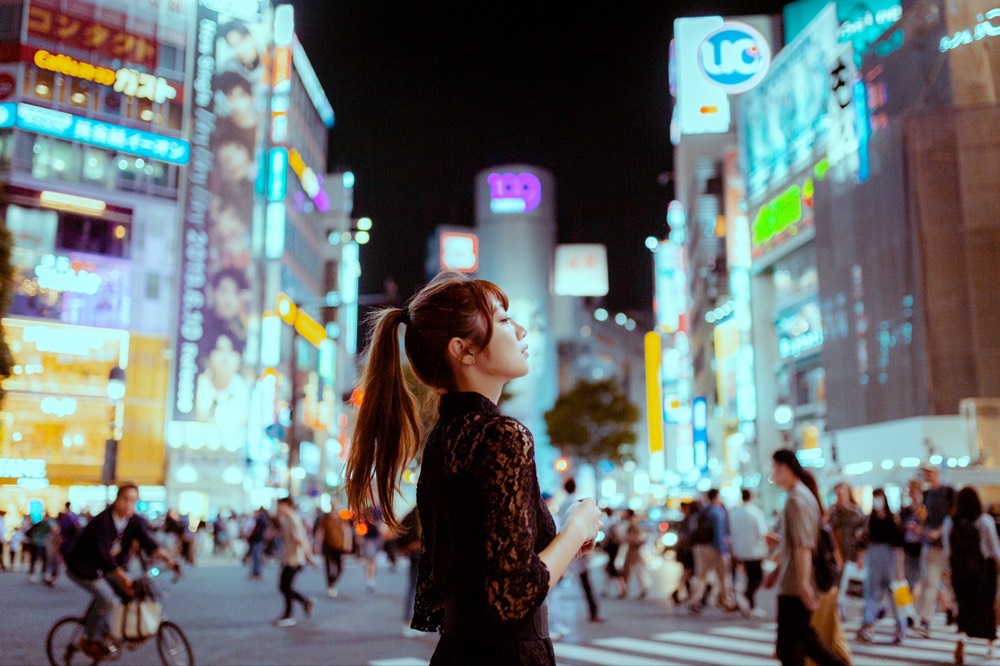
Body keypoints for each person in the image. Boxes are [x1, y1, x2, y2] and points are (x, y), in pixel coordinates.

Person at [344, 271, 603, 665]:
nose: (518, 330)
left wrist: (564, 548)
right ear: (463, 350)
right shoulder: (502, 436)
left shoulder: (442, 439)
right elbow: (513, 596)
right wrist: (577, 527)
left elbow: (484, 578)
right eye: (502, 320)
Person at [64, 483, 179, 658]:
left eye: (133, 500)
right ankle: (90, 639)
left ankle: (124, 631)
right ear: (116, 500)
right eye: (124, 499)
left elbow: (149, 543)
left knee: (131, 592)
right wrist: (122, 577)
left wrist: (170, 561)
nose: (128, 504)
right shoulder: (102, 522)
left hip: (105, 568)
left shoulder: (134, 521)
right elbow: (103, 555)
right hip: (83, 568)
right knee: (108, 599)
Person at [768, 449, 848, 666]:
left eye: (774, 468)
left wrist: (803, 583)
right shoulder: (803, 496)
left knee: (792, 647)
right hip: (796, 582)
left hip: (795, 585)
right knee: (801, 642)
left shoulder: (796, 499)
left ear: (785, 468)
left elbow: (804, 545)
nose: (772, 473)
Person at [943, 485, 1000, 664]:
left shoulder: (950, 522)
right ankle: (991, 645)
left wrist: (950, 573)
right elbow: (993, 549)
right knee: (987, 609)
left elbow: (947, 551)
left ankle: (962, 639)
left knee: (965, 610)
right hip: (984, 574)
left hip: (961, 575)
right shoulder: (984, 520)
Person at [855, 487, 906, 645]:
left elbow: (899, 546)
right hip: (874, 555)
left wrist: (899, 568)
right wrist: (861, 557)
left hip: (889, 556)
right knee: (871, 591)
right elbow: (865, 540)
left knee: (895, 594)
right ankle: (868, 624)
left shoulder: (893, 520)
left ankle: (901, 627)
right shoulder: (870, 519)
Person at [915, 462, 956, 637]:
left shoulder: (949, 492)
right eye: (925, 473)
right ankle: (926, 620)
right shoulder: (927, 495)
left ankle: (953, 612)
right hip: (931, 547)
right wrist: (919, 527)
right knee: (930, 583)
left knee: (951, 584)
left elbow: (953, 515)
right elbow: (923, 518)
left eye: (929, 473)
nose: (927, 476)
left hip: (949, 546)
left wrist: (940, 531)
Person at [558, 478, 604, 622]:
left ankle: (555, 619)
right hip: (577, 547)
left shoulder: (562, 505)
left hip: (564, 548)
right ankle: (594, 612)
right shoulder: (578, 504)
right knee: (586, 583)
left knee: (555, 584)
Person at [688, 489, 734, 614]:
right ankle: (726, 600)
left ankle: (695, 600)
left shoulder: (702, 511)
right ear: (716, 497)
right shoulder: (718, 512)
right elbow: (719, 533)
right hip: (714, 547)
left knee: (701, 575)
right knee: (724, 576)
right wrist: (722, 551)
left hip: (700, 547)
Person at [273, 497, 316, 627]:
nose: (279, 508)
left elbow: (301, 539)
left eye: (281, 505)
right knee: (284, 586)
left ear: (288, 505)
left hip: (295, 559)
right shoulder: (286, 519)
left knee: (285, 586)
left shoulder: (293, 519)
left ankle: (289, 615)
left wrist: (309, 557)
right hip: (289, 558)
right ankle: (304, 602)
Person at [730, 488, 768, 618]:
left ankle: (751, 605)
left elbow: (732, 533)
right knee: (756, 579)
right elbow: (762, 532)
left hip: (741, 551)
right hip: (755, 551)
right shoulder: (755, 513)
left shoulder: (736, 513)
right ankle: (748, 598)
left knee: (749, 578)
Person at [899, 478, 927, 608]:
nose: (914, 494)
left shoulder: (924, 509)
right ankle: (908, 611)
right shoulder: (905, 510)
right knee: (909, 580)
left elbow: (926, 524)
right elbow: (901, 527)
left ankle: (947, 609)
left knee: (928, 580)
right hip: (909, 548)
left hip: (923, 548)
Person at [396, 506, 423, 637]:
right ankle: (408, 622)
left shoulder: (413, 514)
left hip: (421, 556)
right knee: (414, 588)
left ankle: (413, 622)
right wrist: (409, 546)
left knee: (418, 589)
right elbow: (400, 534)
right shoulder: (414, 515)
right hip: (418, 555)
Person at [315, 500, 347, 598]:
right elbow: (321, 531)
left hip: (338, 545)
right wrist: (317, 544)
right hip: (327, 545)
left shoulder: (341, 517)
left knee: (340, 568)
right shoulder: (325, 518)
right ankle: (330, 585)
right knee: (328, 566)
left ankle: (332, 582)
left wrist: (346, 543)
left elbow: (345, 530)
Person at [671, 500, 699, 606]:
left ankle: (687, 592)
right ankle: (680, 591)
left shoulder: (686, 520)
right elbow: (688, 535)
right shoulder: (689, 520)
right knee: (688, 572)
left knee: (689, 572)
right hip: (687, 550)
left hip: (685, 549)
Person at [599, 507, 627, 599]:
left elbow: (609, 536)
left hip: (613, 548)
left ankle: (621, 589)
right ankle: (610, 589)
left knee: (613, 569)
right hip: (614, 547)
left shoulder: (610, 522)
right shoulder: (614, 521)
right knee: (611, 570)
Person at [246, 507, 268, 580]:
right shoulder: (259, 520)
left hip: (257, 541)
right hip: (256, 541)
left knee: (257, 557)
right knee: (255, 557)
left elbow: (260, 531)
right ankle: (255, 572)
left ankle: (257, 573)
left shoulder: (261, 521)